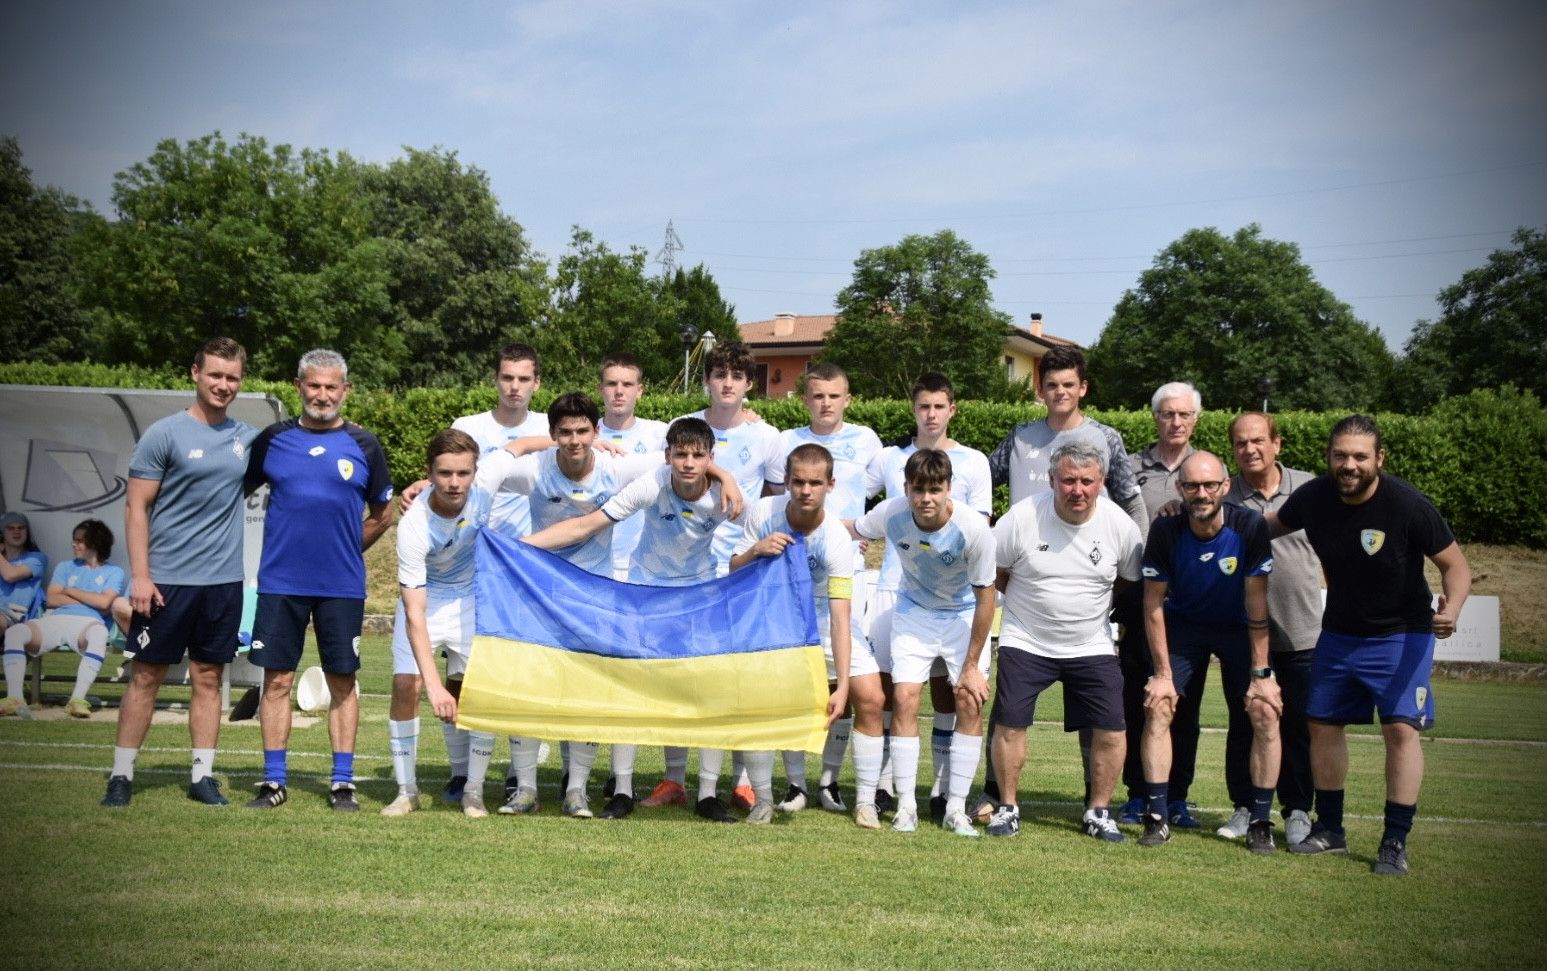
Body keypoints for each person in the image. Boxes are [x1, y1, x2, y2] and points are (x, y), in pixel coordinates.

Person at [479, 392, 738, 819]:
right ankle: (603, 789)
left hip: (669, 595)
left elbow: (700, 464)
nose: (575, 439)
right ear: (553, 435)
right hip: (565, 587)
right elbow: (582, 521)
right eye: (565, 431)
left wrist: (725, 477)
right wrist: (512, 549)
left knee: (701, 689)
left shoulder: (637, 471)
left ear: (597, 433)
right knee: (595, 686)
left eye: (583, 430)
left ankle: (706, 795)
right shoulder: (548, 471)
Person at [1270, 414, 1471, 876]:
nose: (1350, 464)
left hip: (1403, 635)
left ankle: (1394, 841)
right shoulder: (1314, 497)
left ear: (1379, 458)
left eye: (1360, 456)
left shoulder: (1408, 505)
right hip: (1339, 634)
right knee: (1322, 726)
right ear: (1329, 457)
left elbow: (1456, 566)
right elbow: (1264, 528)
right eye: (1340, 455)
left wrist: (1453, 608)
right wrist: (1204, 520)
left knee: (1400, 731)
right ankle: (1331, 831)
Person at [983, 345, 1145, 816]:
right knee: (1009, 709)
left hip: (1089, 579)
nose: (1059, 392)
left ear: (1083, 388)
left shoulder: (1106, 437)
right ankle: (996, 795)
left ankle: (1095, 802)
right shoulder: (1020, 436)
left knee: (1099, 713)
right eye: (1051, 384)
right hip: (1025, 579)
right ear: (1041, 389)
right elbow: (979, 482)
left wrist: (1133, 569)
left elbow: (1132, 504)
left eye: (1068, 384)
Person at [96, 337, 258, 807]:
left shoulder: (247, 438)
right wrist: (140, 577)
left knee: (209, 679)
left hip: (223, 583)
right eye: (215, 375)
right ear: (195, 373)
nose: (223, 385)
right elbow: (135, 508)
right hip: (165, 582)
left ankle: (202, 777)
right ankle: (122, 775)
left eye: (231, 377)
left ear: (239, 381)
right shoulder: (163, 434)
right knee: (146, 676)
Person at [243, 349, 394, 812]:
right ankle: (273, 782)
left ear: (345, 390)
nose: (322, 395)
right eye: (314, 386)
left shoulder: (365, 445)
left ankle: (342, 782)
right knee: (277, 681)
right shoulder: (272, 440)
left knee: (343, 682)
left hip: (341, 585)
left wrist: (348, 547)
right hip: (281, 582)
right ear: (299, 387)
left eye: (332, 387)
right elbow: (232, 491)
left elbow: (383, 514)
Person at [645, 340, 781, 812]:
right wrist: (723, 475)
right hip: (689, 572)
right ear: (707, 380)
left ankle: (742, 781)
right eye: (718, 374)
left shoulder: (768, 437)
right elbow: (686, 464)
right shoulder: (684, 431)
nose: (727, 383)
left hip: (742, 570)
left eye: (736, 375)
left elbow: (774, 503)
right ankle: (674, 779)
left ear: (748, 383)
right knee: (680, 679)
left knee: (735, 680)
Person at [732, 443, 885, 828]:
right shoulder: (763, 513)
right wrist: (756, 550)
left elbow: (841, 615)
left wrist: (844, 686)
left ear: (830, 485)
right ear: (785, 481)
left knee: (872, 696)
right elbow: (733, 570)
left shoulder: (835, 537)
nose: (805, 490)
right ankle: (764, 801)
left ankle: (865, 801)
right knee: (762, 704)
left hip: (826, 624)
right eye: (798, 481)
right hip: (774, 622)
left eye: (815, 483)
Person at [1138, 451, 1283, 853]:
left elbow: (1257, 607)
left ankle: (1260, 821)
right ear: (1180, 489)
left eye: (1209, 486)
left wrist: (1262, 676)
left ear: (1224, 487)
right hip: (1184, 627)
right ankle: (1156, 816)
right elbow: (1153, 605)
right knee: (1159, 705)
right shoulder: (1166, 528)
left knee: (1264, 710)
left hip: (1237, 627)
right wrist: (1163, 674)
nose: (1200, 494)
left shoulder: (1249, 525)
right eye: (1191, 486)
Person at [864, 372, 992, 823]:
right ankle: (906, 808)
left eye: (934, 490)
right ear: (906, 489)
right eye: (918, 490)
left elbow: (986, 597)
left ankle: (955, 808)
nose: (925, 499)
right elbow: (850, 530)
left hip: (962, 616)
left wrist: (974, 665)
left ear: (948, 490)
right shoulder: (892, 512)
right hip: (913, 613)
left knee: (968, 700)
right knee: (904, 700)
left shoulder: (974, 530)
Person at [764, 363, 884, 814]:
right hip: (790, 584)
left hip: (845, 575)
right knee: (795, 691)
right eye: (817, 396)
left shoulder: (867, 441)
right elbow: (778, 496)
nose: (826, 403)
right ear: (805, 398)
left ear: (847, 398)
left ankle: (835, 785)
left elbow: (874, 497)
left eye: (834, 396)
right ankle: (795, 785)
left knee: (859, 692)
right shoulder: (783, 442)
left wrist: (857, 529)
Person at [451, 343, 549, 803]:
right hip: (469, 568)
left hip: (525, 569)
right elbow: (445, 479)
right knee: (463, 675)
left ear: (536, 384)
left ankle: (519, 774)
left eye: (523, 379)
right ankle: (459, 772)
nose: (514, 387)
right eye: (507, 377)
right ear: (496, 379)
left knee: (521, 675)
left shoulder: (552, 428)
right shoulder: (467, 427)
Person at [384, 429, 496, 818]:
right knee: (405, 684)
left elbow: (521, 448)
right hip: (426, 602)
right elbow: (414, 613)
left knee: (479, 691)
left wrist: (594, 444)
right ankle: (406, 790)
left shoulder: (487, 490)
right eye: (445, 473)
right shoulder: (413, 525)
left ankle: (474, 791)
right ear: (428, 473)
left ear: (475, 471)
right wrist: (433, 686)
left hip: (470, 599)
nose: (454, 482)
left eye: (463, 473)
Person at [1224, 411, 1323, 846]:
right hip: (1243, 634)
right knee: (1244, 722)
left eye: (1258, 440)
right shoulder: (1222, 494)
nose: (1250, 449)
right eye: (1242, 443)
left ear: (1276, 443)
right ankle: (1245, 806)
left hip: (1302, 631)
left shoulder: (1309, 488)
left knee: (1298, 725)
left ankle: (1298, 809)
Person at [1116, 382, 1209, 829]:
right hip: (1139, 603)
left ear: (1195, 420)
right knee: (1139, 700)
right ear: (1155, 417)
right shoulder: (1130, 469)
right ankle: (1137, 794)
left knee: (1184, 708)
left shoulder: (1208, 471)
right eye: (1167, 414)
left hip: (1191, 606)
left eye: (1184, 415)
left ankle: (1177, 797)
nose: (1176, 422)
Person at [1, 520, 126, 721]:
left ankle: (77, 700)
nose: (74, 545)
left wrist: (70, 590)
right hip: (56, 619)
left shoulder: (114, 572)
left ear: (95, 542)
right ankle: (15, 698)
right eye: (73, 540)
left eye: (79, 541)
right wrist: (90, 598)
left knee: (99, 633)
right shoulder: (65, 566)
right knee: (16, 632)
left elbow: (104, 603)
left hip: (87, 624)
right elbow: (52, 599)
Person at [1, 512, 47, 637]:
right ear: (2, 533)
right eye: (10, 528)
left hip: (13, 615)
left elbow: (10, 575)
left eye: (21, 528)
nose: (17, 531)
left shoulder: (37, 558)